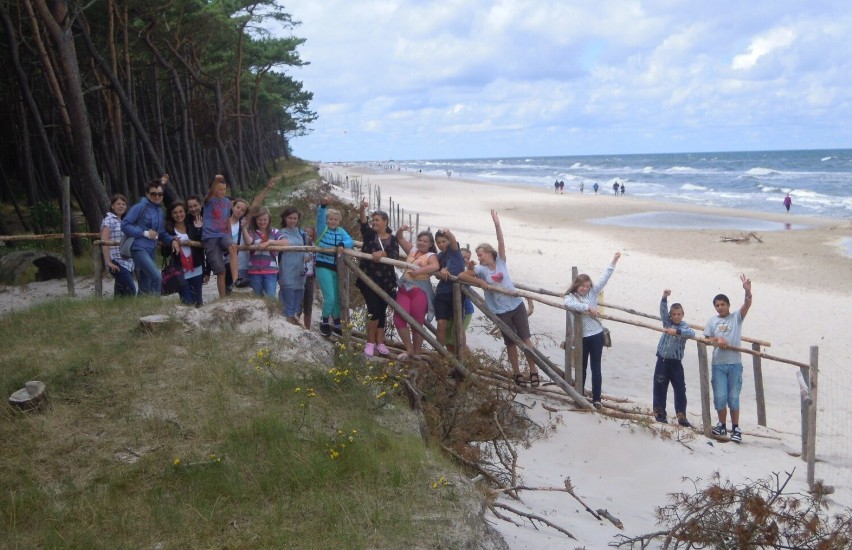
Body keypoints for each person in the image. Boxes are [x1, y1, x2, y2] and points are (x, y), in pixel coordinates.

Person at [459, 210, 540, 388]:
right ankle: (517, 373)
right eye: (478, 255)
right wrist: (480, 281)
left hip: (516, 305)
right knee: (510, 342)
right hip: (500, 310)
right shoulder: (481, 270)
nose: (479, 258)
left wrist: (497, 225)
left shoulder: (501, 261)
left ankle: (533, 371)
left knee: (526, 339)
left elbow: (501, 242)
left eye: (481, 254)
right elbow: (462, 275)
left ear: (489, 253)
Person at [563, 252, 621, 408]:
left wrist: (613, 261)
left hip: (595, 334)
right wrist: (587, 307)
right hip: (580, 337)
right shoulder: (570, 297)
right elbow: (569, 304)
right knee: (581, 367)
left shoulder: (593, 293)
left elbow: (604, 277)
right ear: (577, 285)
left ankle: (597, 399)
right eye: (583, 286)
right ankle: (579, 395)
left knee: (596, 367)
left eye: (587, 286)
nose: (585, 288)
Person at [704, 274, 753, 444]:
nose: (720, 308)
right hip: (719, 364)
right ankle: (722, 424)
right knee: (720, 396)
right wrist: (717, 340)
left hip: (734, 364)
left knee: (733, 397)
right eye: (717, 305)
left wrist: (748, 291)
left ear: (728, 305)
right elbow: (707, 338)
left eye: (722, 304)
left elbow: (747, 305)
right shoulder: (712, 321)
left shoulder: (736, 317)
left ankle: (736, 427)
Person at [122, 178, 181, 295]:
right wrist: (144, 233)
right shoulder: (139, 207)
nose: (157, 196)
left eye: (160, 194)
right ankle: (155, 306)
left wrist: (172, 240)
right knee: (157, 277)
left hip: (151, 250)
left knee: (145, 284)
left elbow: (162, 233)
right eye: (153, 194)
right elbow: (125, 225)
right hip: (138, 248)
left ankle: (142, 308)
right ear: (147, 194)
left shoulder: (159, 211)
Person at [356, 199, 400, 357]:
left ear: (385, 222)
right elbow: (363, 223)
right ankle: (370, 342)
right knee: (374, 310)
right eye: (373, 219)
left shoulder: (392, 239)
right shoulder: (369, 235)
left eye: (377, 220)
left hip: (386, 281)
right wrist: (362, 209)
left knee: (381, 311)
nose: (374, 222)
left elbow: (395, 255)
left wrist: (383, 253)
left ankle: (380, 342)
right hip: (368, 278)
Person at [394, 226, 440, 359]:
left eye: (425, 241)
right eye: (420, 240)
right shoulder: (413, 250)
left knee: (417, 323)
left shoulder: (431, 255)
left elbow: (435, 266)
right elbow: (399, 238)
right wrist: (401, 229)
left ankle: (417, 353)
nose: (421, 243)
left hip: (419, 291)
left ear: (431, 244)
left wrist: (417, 271)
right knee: (398, 319)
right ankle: (409, 350)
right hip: (404, 289)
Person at [653, 289, 696, 426]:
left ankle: (681, 416)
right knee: (660, 387)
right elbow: (663, 311)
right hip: (662, 360)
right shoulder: (667, 323)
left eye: (679, 314)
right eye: (674, 314)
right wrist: (664, 298)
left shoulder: (684, 327)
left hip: (676, 363)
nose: (676, 316)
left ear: (683, 315)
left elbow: (691, 333)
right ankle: (659, 414)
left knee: (680, 390)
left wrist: (677, 331)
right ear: (671, 316)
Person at [315, 196, 354, 336]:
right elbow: (319, 217)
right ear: (327, 220)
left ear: (339, 221)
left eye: (335, 220)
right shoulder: (322, 229)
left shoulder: (340, 231)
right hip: (323, 265)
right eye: (330, 219)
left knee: (337, 297)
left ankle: (337, 323)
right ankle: (324, 320)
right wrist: (323, 205)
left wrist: (343, 244)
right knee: (330, 297)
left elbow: (350, 240)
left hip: (336, 268)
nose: (332, 221)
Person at [202, 175, 240, 298]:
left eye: (224, 189)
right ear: (214, 188)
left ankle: (235, 280)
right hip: (210, 237)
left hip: (223, 234)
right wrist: (215, 181)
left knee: (233, 247)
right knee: (221, 271)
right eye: (219, 189)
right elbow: (209, 194)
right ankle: (223, 298)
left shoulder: (227, 202)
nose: (222, 192)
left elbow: (227, 220)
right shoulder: (208, 201)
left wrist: (229, 235)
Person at [164, 200, 207, 306]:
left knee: (198, 302)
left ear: (185, 212)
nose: (179, 215)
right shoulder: (168, 231)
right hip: (180, 271)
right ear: (171, 214)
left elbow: (203, 245)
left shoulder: (192, 225)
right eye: (175, 212)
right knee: (187, 303)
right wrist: (171, 241)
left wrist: (198, 229)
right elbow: (164, 254)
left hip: (197, 268)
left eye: (181, 211)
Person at [277, 206, 309, 324]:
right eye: (290, 218)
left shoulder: (301, 233)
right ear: (285, 218)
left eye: (295, 218)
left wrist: (307, 256)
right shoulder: (280, 233)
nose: (292, 220)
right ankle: (287, 324)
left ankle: (294, 324)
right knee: (287, 297)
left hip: (300, 271)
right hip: (286, 269)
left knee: (297, 299)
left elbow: (307, 249)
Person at [434, 228, 465, 350]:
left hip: (457, 293)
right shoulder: (439, 256)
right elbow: (436, 272)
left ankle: (461, 358)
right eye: (439, 242)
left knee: (458, 327)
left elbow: (453, 240)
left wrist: (448, 233)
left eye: (443, 241)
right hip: (442, 293)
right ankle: (440, 356)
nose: (441, 244)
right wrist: (441, 270)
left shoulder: (454, 251)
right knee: (441, 324)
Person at [100, 194, 136, 297]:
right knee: (131, 290)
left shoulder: (124, 221)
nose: (121, 206)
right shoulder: (109, 220)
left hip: (127, 260)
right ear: (112, 206)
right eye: (118, 204)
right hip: (115, 260)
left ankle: (117, 310)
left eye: (123, 204)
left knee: (121, 292)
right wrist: (108, 262)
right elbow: (104, 241)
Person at [242, 206, 281, 298]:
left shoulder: (274, 232)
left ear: (269, 220)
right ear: (255, 220)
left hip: (270, 270)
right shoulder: (253, 232)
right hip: (254, 271)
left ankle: (270, 312)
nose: (262, 222)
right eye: (260, 219)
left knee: (270, 297)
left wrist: (270, 242)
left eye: (265, 219)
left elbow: (286, 242)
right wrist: (243, 228)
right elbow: (248, 242)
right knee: (257, 298)